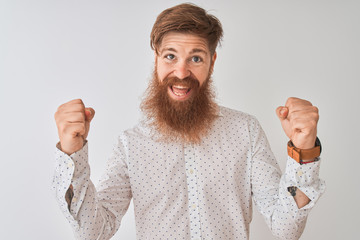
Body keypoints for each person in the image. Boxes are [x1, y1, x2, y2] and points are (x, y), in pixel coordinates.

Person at [53, 3, 325, 240]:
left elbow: (286, 229)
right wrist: (72, 155)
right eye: (170, 56)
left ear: (212, 62)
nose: (181, 72)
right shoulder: (130, 144)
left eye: (196, 58)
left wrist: (304, 150)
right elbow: (93, 233)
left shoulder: (246, 131)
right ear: (157, 59)